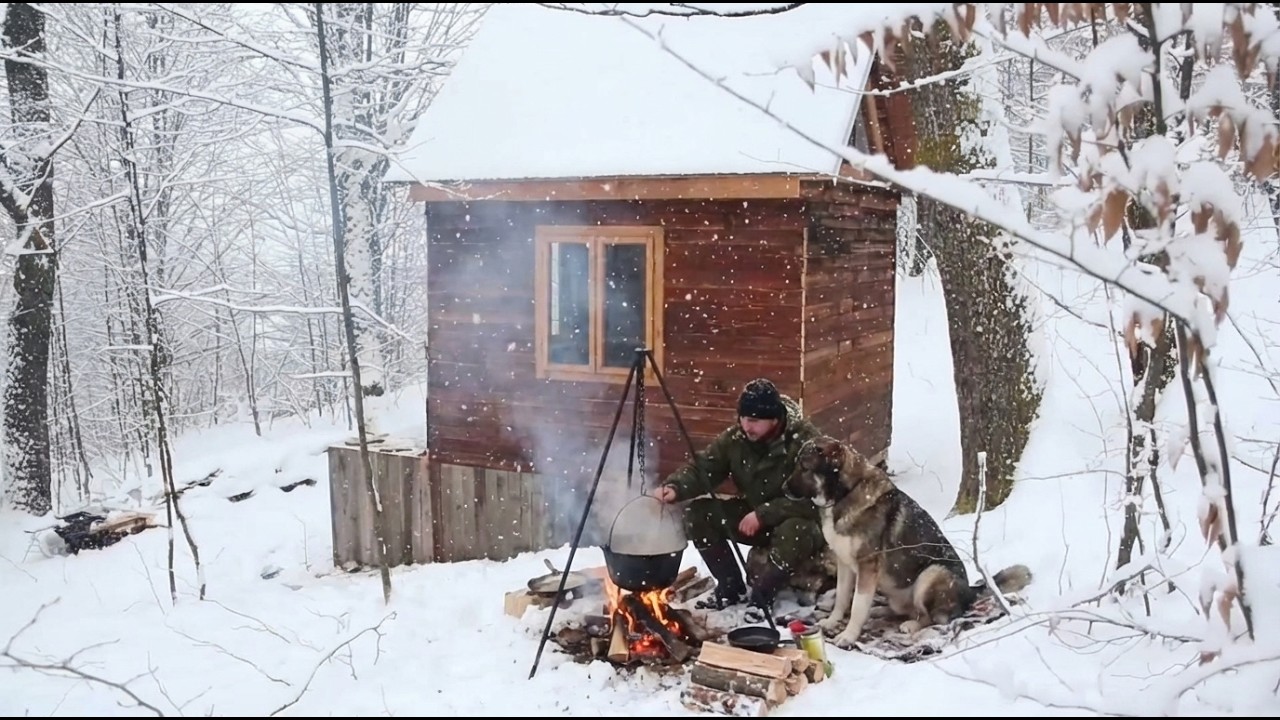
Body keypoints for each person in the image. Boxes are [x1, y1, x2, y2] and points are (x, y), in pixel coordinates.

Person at [655, 378, 826, 621]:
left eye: (754, 420)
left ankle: (762, 597)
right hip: (753, 512)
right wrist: (675, 487)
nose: (746, 426)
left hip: (798, 519)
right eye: (743, 418)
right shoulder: (737, 439)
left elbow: (816, 500)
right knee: (698, 515)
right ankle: (730, 587)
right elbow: (705, 467)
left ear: (774, 419)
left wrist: (764, 514)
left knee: (796, 529)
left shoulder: (805, 443)